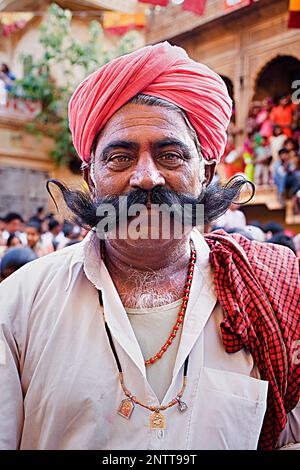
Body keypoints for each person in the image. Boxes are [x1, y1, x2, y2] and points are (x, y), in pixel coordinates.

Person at [0, 42, 299, 451]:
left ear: (205, 172)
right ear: (91, 178)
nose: (146, 177)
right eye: (120, 158)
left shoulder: (270, 291)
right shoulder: (18, 306)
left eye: (170, 155)